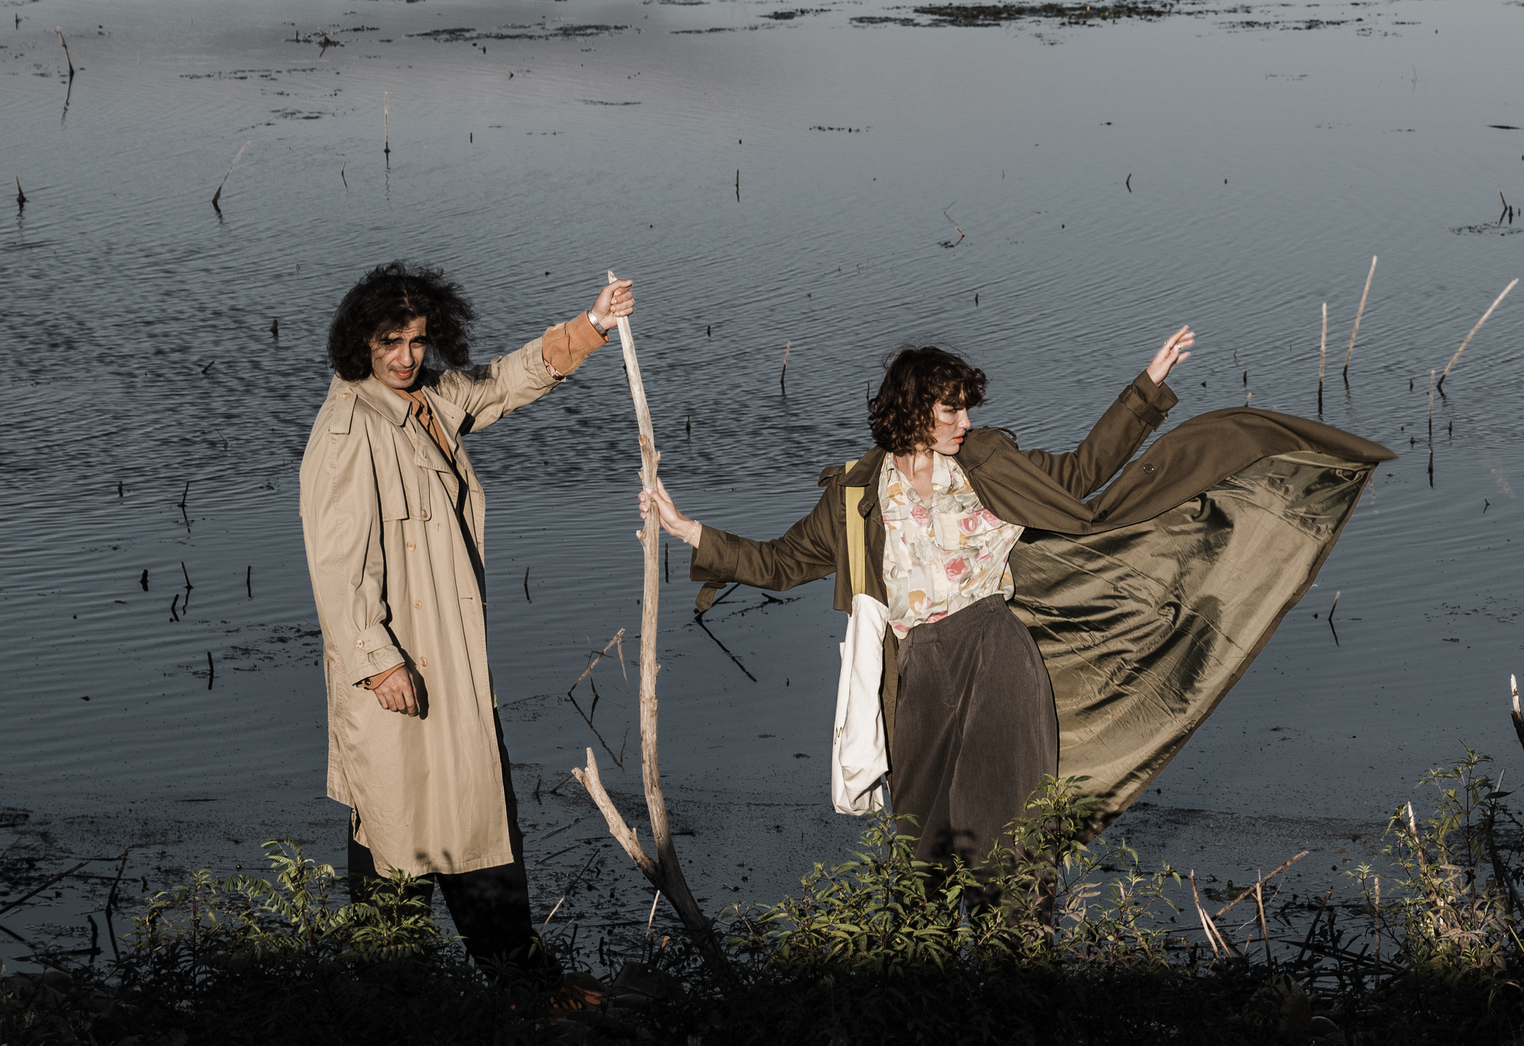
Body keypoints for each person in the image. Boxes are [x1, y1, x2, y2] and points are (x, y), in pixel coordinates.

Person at [642, 330, 1396, 885]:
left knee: (1014, 836)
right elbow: (778, 562)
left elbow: (1084, 471)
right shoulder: (855, 495)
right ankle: (919, 982)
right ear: (912, 412)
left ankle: (1019, 971)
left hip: (999, 654)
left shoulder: (990, 464)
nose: (965, 421)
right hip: (918, 674)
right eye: (951, 409)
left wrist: (1148, 387)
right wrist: (689, 531)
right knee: (922, 839)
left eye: (967, 407)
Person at [298, 261, 635, 976]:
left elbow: (503, 382)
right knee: (398, 828)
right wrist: (378, 662)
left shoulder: (425, 399)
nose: (405, 356)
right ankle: (440, 987)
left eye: (417, 341)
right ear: (360, 341)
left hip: (442, 660)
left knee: (461, 817)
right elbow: (337, 568)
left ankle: (501, 980)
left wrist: (593, 324)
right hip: (397, 667)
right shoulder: (348, 429)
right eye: (390, 342)